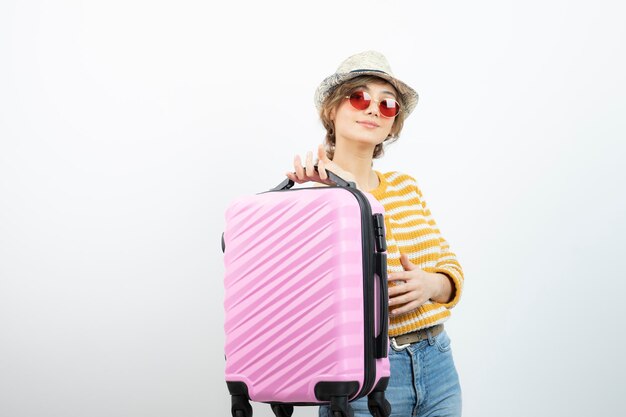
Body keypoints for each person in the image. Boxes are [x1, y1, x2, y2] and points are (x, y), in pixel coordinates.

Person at [285, 51, 464, 417]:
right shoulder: (315, 197)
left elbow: (450, 267)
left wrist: (431, 285)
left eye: (387, 105)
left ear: (393, 124)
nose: (372, 109)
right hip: (363, 374)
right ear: (332, 111)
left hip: (437, 362)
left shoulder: (405, 186)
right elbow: (321, 304)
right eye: (360, 97)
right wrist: (345, 189)